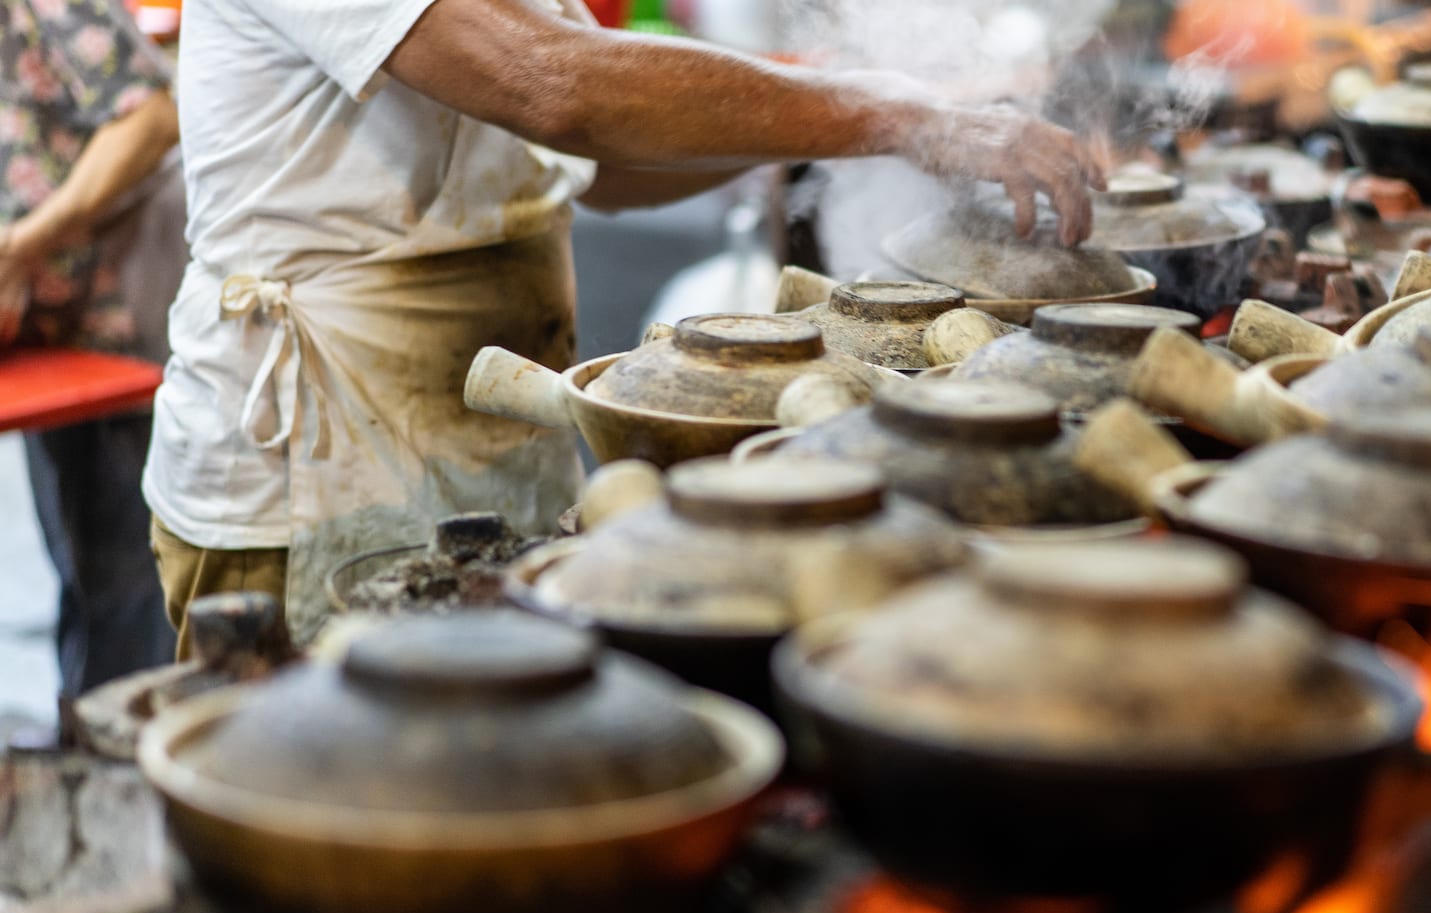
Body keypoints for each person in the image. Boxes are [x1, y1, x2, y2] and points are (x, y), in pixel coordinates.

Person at [146, 0, 1105, 650]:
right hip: (312, 450)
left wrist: (825, 124)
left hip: (482, 427)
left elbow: (607, 166)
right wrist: (890, 112)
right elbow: (557, 88)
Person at [0, 0, 183, 735]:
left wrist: (25, 244)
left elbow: (152, 117)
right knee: (82, 569)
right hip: (37, 346)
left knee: (131, 589)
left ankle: (133, 779)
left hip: (115, 332)